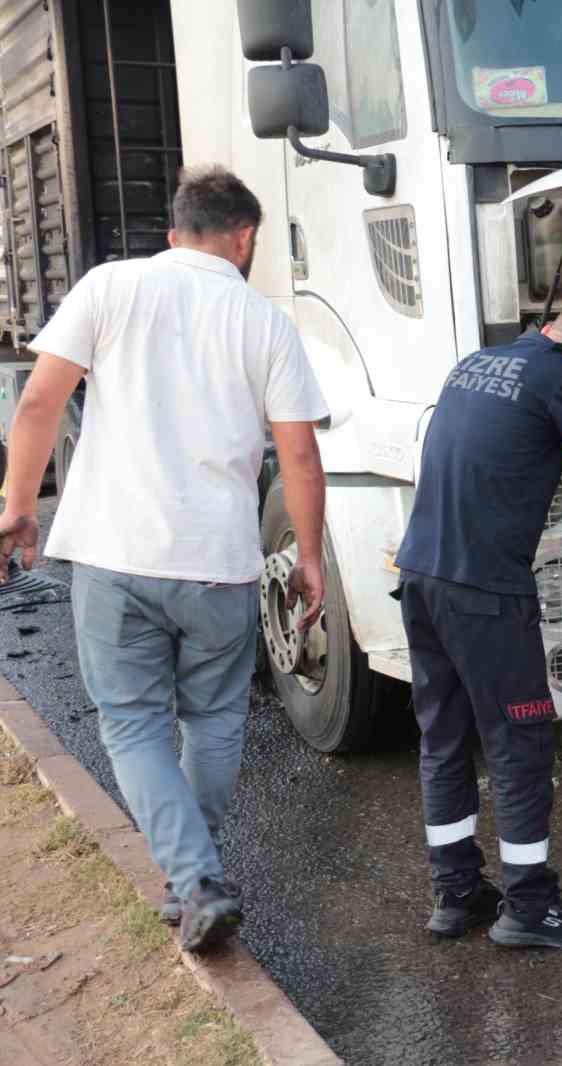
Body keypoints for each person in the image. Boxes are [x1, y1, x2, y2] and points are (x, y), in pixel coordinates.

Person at [0, 167, 329, 952]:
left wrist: (16, 506)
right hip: (218, 560)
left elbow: (40, 401)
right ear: (244, 238)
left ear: (175, 233)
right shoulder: (266, 321)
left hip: (114, 554)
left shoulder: (109, 286)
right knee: (212, 720)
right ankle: (194, 877)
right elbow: (299, 454)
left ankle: (196, 880)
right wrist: (309, 555)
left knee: (132, 722)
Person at [394, 307, 562, 949]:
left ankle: (456, 894)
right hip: (486, 592)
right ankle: (529, 905)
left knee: (444, 737)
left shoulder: (473, 363)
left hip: (421, 576)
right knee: (518, 742)